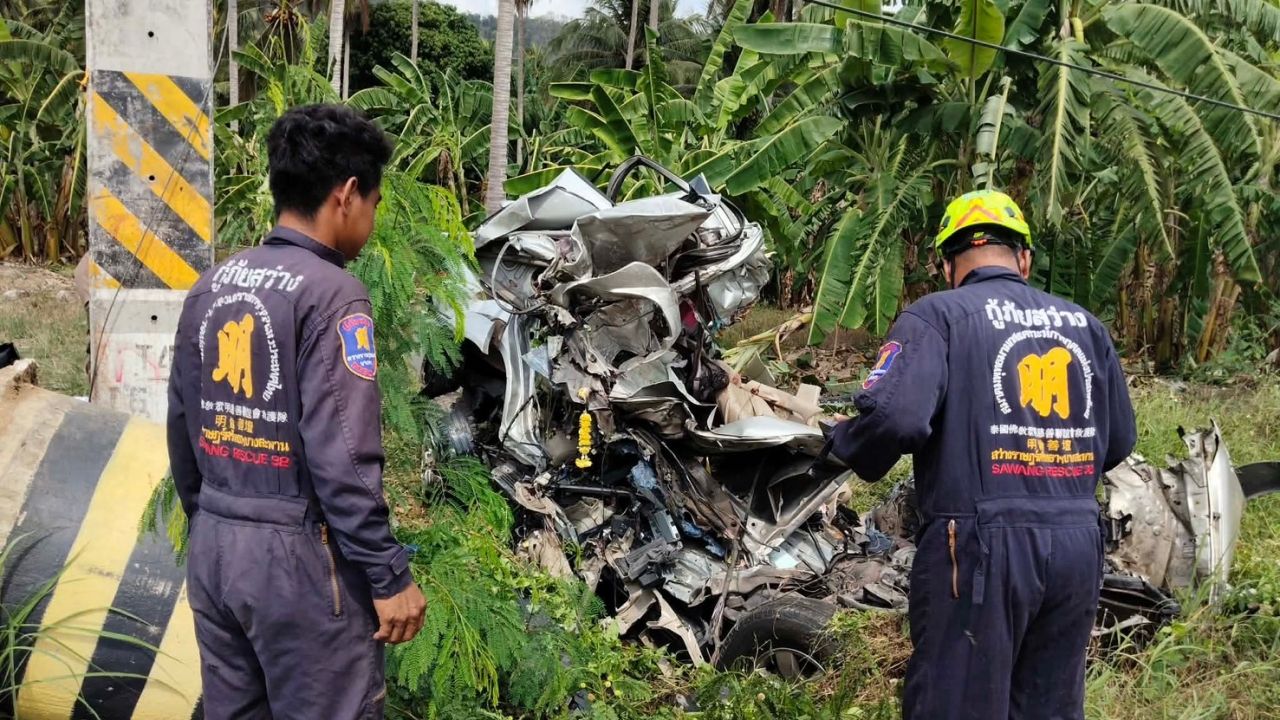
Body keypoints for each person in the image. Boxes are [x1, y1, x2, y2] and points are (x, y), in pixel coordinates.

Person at [829, 190, 1137, 720]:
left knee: (956, 703)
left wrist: (843, 443)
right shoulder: (1086, 326)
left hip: (977, 544)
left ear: (948, 264)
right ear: (1024, 258)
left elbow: (896, 418)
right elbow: (1119, 442)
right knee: (1048, 706)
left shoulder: (937, 317)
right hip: (1077, 544)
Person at [166, 104, 427, 719]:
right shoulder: (334, 296)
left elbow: (182, 427)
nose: (372, 219)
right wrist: (388, 575)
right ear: (347, 194)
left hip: (216, 548)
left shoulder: (212, 285)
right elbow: (344, 458)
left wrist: (215, 524)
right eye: (374, 203)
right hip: (300, 566)